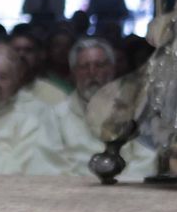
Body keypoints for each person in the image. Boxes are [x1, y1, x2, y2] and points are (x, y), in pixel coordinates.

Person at [38, 38, 155, 178]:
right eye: (84, 66)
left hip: (126, 189)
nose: (92, 72)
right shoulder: (55, 115)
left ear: (112, 69)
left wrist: (121, 187)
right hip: (72, 192)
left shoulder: (135, 110)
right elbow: (50, 164)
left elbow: (146, 158)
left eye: (100, 65)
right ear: (74, 72)